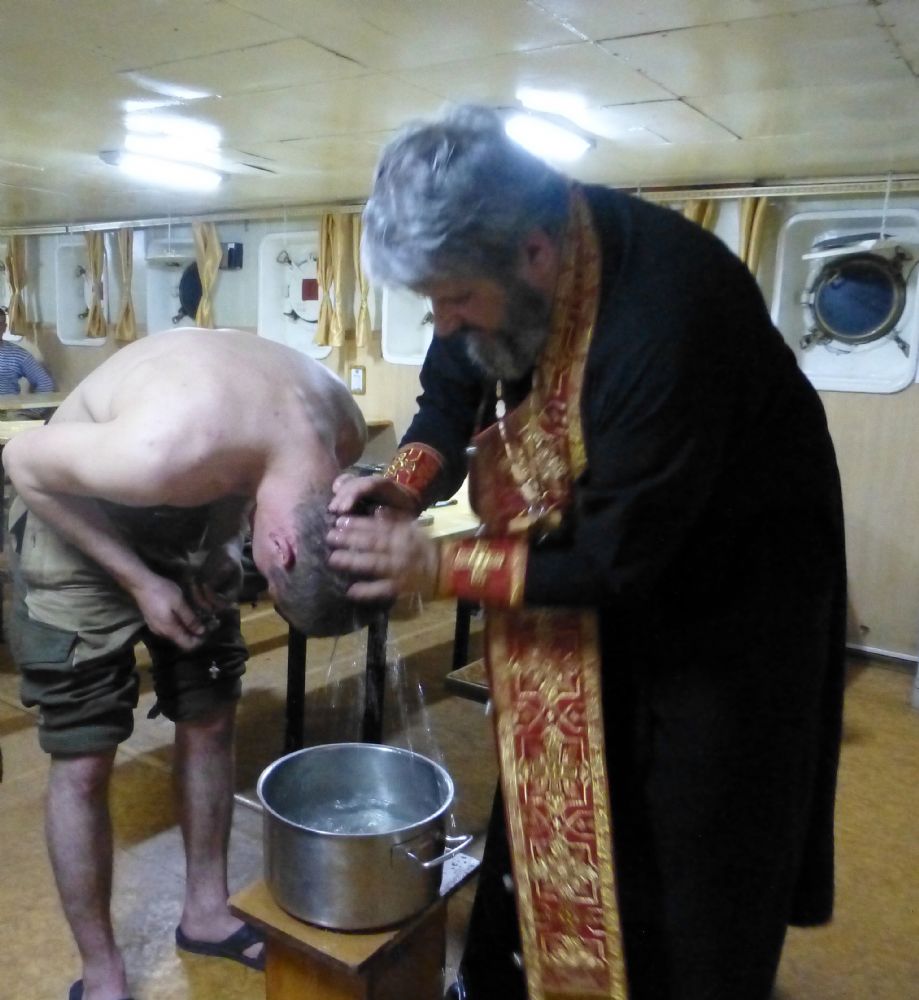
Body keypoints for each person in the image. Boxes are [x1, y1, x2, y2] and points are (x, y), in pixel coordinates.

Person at [327, 105, 847, 1000]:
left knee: (697, 826)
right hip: (592, 547)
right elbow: (448, 395)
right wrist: (404, 485)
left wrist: (436, 567)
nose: (443, 324)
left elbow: (619, 564)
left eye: (454, 300)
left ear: (535, 254)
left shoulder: (671, 312)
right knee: (564, 776)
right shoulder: (495, 274)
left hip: (732, 588)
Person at [3, 327, 369, 1000]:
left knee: (210, 716)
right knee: (84, 756)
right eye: (269, 578)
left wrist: (226, 544)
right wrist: (142, 582)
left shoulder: (340, 431)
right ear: (283, 550)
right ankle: (102, 969)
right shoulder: (162, 447)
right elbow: (22, 460)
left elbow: (258, 472)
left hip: (186, 509)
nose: (262, 578)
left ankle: (206, 914)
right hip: (74, 509)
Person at [0, 305, 55, 394]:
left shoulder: (18, 355)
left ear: (4, 327)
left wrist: (34, 404)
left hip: (9, 403)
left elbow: (45, 383)